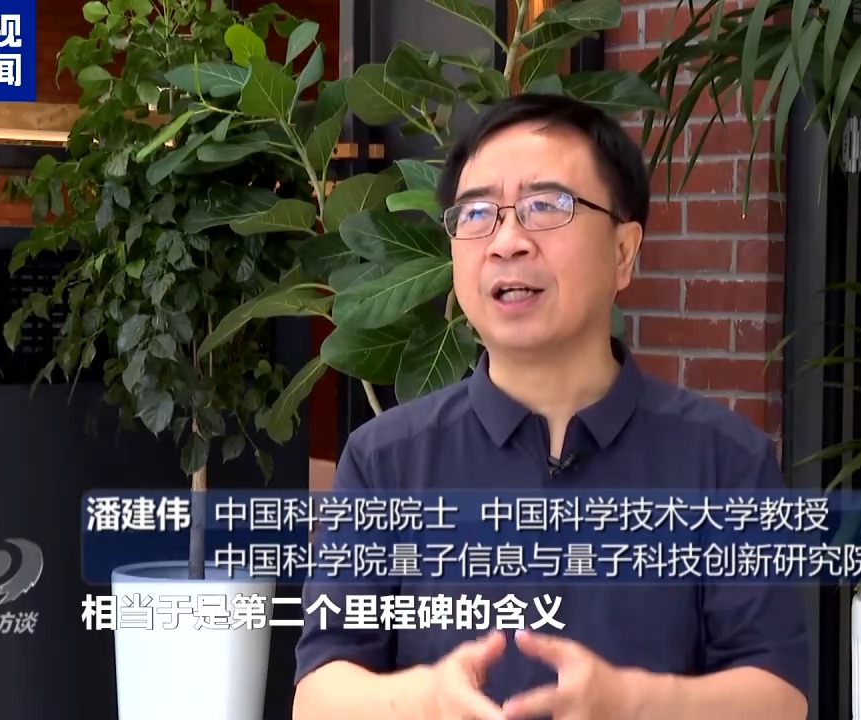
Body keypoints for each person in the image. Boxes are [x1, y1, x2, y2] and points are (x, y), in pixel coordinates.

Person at [292, 93, 810, 720]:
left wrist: (633, 703)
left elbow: (778, 695)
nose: (507, 241)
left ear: (623, 252)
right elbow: (319, 694)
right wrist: (423, 701)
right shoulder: (386, 462)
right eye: (476, 213)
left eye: (545, 206)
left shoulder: (724, 461)